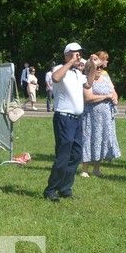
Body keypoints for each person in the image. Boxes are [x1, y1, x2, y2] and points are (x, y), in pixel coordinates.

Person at [44, 42, 96, 202]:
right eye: (75, 53)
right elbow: (55, 78)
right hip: (64, 118)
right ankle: (51, 190)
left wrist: (92, 67)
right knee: (63, 155)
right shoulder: (60, 69)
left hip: (76, 120)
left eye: (79, 53)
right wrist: (71, 62)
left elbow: (88, 83)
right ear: (67, 55)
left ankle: (65, 188)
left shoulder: (76, 73)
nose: (78, 56)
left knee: (76, 155)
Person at [79, 55, 120, 177]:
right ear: (90, 67)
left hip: (106, 117)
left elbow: (113, 92)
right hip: (91, 117)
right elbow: (88, 98)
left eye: (101, 67)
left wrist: (115, 98)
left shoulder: (106, 78)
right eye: (97, 67)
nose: (99, 69)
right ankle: (84, 169)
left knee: (101, 140)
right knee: (89, 140)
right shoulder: (86, 80)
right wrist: (106, 97)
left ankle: (97, 168)